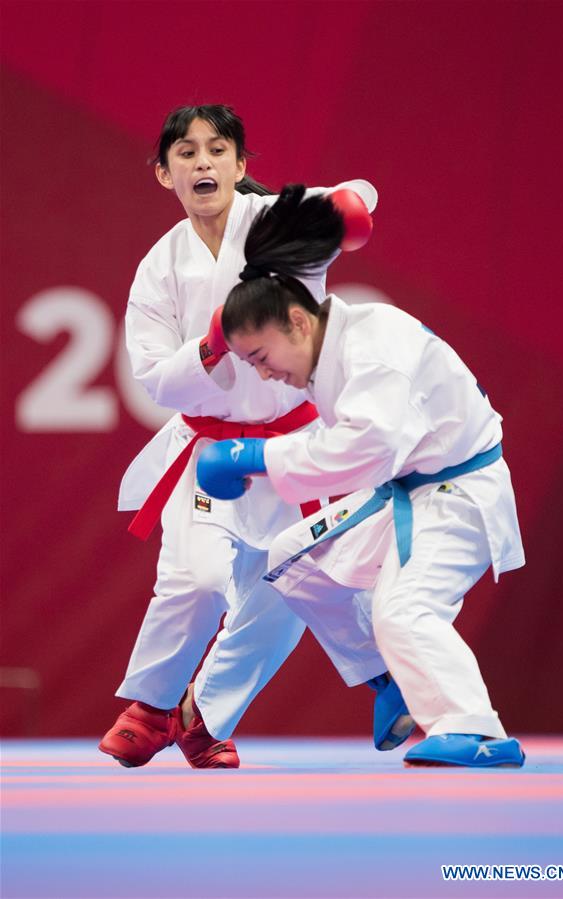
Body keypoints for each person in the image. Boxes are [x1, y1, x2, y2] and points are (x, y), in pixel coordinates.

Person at [99, 105, 409, 769]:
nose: (203, 162)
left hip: (293, 448)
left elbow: (351, 198)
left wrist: (353, 203)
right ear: (164, 174)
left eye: (218, 150)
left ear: (240, 166)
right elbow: (156, 379)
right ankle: (153, 705)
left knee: (288, 591)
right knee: (200, 579)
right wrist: (211, 344)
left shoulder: (277, 221)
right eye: (186, 152)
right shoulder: (158, 269)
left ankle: (200, 716)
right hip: (209, 449)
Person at [195, 184, 527, 768]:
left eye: (263, 359)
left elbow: (367, 448)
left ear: (296, 321)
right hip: (407, 490)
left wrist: (255, 459)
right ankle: (386, 677)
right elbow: (354, 447)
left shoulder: (375, 345)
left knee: (402, 609)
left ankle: (476, 729)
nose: (266, 376)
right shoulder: (331, 349)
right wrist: (266, 461)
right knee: (290, 556)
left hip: (458, 495)